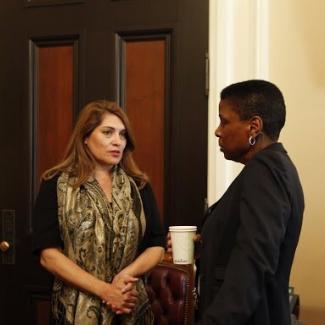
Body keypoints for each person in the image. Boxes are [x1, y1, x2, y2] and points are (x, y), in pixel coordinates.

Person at [168, 80, 304, 325]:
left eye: (224, 120)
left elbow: (253, 263)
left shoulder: (265, 171)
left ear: (254, 127)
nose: (218, 131)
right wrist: (207, 246)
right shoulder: (273, 168)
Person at [32, 100, 165, 325]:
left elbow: (157, 245)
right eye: (107, 132)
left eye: (122, 135)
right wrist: (104, 290)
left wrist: (125, 276)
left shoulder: (139, 185)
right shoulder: (55, 184)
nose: (117, 142)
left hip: (130, 305)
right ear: (85, 137)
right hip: (74, 311)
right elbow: (48, 256)